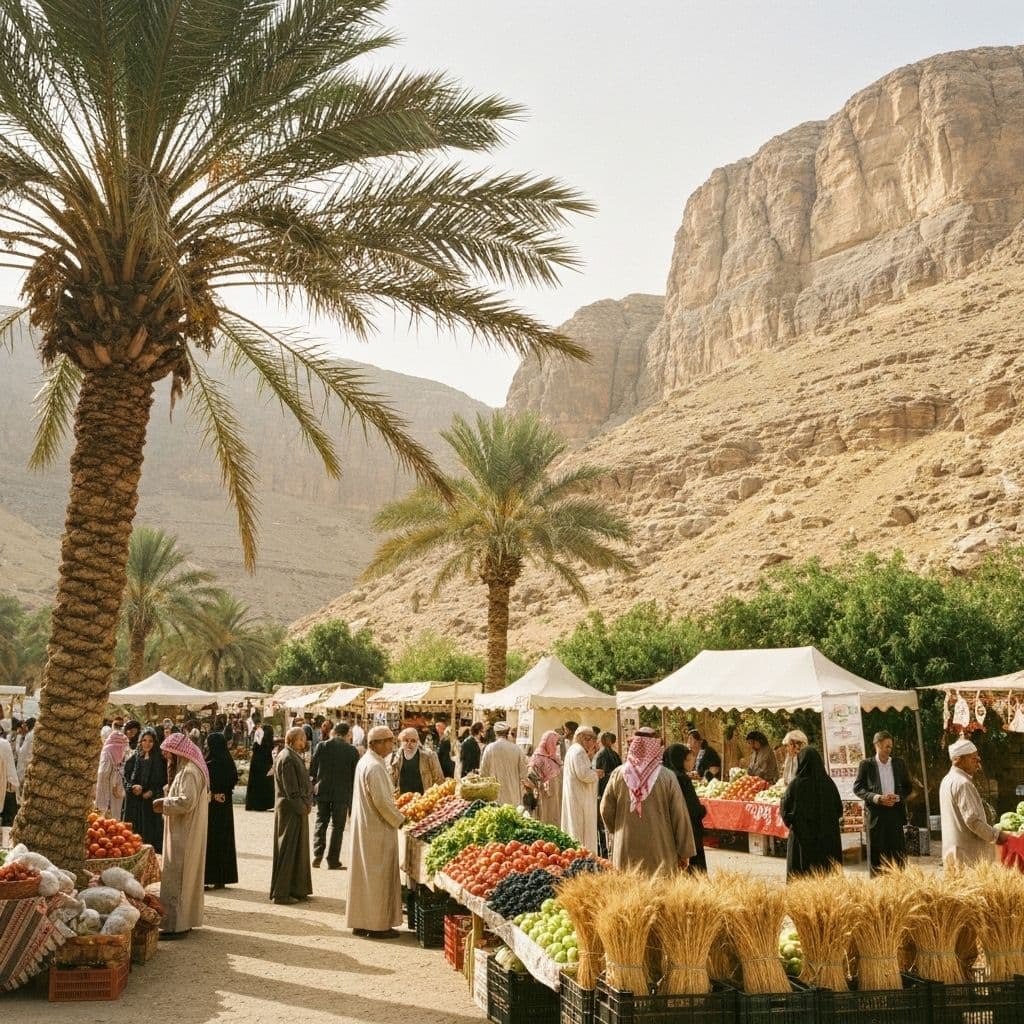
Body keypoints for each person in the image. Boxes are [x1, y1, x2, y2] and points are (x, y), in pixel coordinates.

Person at [600, 728, 695, 874]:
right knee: (659, 892)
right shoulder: (667, 776)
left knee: (626, 892)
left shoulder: (618, 774)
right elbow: (679, 816)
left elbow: (605, 810)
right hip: (660, 850)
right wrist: (684, 852)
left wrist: (620, 830)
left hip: (625, 848)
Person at [347, 727, 406, 939]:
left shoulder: (367, 762)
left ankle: (361, 921)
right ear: (378, 743)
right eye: (390, 741)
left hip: (367, 826)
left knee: (364, 878)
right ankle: (378, 926)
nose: (392, 745)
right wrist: (401, 820)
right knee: (377, 878)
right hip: (377, 829)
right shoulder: (375, 766)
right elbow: (382, 802)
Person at [154, 732, 210, 939]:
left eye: (169, 754)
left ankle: (175, 925)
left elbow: (186, 801)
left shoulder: (189, 771)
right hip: (184, 830)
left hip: (183, 833)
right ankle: (184, 921)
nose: (167, 758)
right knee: (184, 878)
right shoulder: (188, 769)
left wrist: (163, 803)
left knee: (178, 877)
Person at [939, 738, 1007, 867]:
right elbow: (973, 821)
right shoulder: (962, 783)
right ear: (958, 760)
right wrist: (998, 836)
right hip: (968, 857)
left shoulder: (947, 780)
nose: (978, 764)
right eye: (974, 759)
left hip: (954, 854)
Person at [853, 730, 913, 874]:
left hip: (895, 814)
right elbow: (858, 788)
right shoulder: (866, 765)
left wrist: (897, 797)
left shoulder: (899, 764)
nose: (889, 749)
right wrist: (877, 798)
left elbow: (908, 787)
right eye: (886, 746)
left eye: (890, 747)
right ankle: (878, 885)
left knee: (897, 853)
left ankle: (898, 881)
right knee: (877, 852)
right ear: (877, 745)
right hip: (876, 816)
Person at [780, 746, 843, 878]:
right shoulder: (828, 783)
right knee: (827, 878)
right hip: (827, 840)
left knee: (802, 879)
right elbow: (839, 809)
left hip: (802, 842)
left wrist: (797, 826)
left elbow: (785, 810)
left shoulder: (795, 785)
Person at [270, 727, 314, 905]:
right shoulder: (287, 757)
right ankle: (282, 893)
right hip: (291, 810)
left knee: (297, 850)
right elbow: (291, 789)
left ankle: (297, 888)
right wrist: (302, 806)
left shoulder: (291, 755)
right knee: (288, 849)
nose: (304, 742)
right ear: (292, 739)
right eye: (301, 739)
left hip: (296, 809)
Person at [310, 721, 359, 870]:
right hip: (342, 793)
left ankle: (317, 855)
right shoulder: (352, 750)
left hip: (324, 790)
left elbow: (313, 768)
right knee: (338, 827)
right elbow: (355, 775)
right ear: (347, 734)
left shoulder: (322, 746)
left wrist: (314, 785)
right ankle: (333, 860)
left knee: (321, 822)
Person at [663, 744, 707, 872]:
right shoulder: (681, 779)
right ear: (678, 760)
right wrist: (703, 810)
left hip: (670, 832)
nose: (691, 763)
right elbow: (694, 809)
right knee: (693, 870)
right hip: (689, 832)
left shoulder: (665, 777)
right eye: (687, 760)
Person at [204, 731, 239, 889]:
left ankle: (208, 876)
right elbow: (233, 779)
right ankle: (222, 877)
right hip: (225, 806)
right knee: (224, 840)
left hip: (211, 806)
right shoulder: (228, 762)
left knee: (210, 841)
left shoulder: (209, 763)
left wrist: (213, 794)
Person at [124, 727, 167, 852]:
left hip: (150, 806)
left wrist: (152, 791)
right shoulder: (134, 758)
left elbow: (163, 781)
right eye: (144, 740)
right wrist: (132, 787)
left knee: (150, 836)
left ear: (155, 743)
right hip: (135, 805)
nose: (147, 744)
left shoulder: (159, 761)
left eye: (150, 741)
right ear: (140, 741)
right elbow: (126, 779)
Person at [561, 727, 602, 852]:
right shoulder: (579, 752)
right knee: (579, 830)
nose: (593, 744)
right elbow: (583, 775)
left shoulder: (574, 750)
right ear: (584, 739)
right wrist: (596, 774)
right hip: (579, 798)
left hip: (576, 794)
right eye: (591, 740)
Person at [480, 722, 531, 806]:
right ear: (508, 733)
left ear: (495, 733)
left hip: (495, 793)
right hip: (513, 793)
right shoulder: (516, 749)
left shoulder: (489, 748)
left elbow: (483, 773)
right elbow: (524, 773)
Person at [389, 727, 445, 795]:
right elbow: (392, 781)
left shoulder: (429, 756)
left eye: (413, 741)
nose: (409, 744)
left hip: (424, 798)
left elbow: (439, 779)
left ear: (418, 741)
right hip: (403, 799)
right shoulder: (396, 757)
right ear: (401, 741)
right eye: (406, 740)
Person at [528, 730, 563, 826]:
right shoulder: (537, 758)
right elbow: (531, 776)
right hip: (545, 797)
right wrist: (539, 785)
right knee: (546, 820)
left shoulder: (555, 758)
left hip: (557, 797)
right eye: (554, 743)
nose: (556, 746)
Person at [595, 732, 621, 857]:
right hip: (613, 792)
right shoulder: (612, 755)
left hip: (605, 792)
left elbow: (601, 775)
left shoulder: (601, 755)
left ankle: (606, 852)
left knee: (604, 823)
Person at [96, 730, 129, 819]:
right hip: (120, 786)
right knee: (118, 815)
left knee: (102, 815)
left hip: (106, 784)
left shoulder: (106, 750)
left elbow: (103, 772)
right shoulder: (125, 749)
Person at [245, 720, 275, 811]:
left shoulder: (259, 740)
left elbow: (255, 747)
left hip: (256, 763)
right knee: (264, 784)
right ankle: (263, 804)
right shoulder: (268, 741)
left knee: (255, 783)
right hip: (265, 763)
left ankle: (253, 804)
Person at [0, 724, 19, 828]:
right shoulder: (4, 744)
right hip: (7, 788)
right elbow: (11, 770)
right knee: (7, 825)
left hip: (6, 787)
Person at [16, 717, 35, 789]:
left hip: (25, 766)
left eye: (26, 725)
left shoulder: (29, 736)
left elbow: (20, 753)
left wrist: (18, 739)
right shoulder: (34, 734)